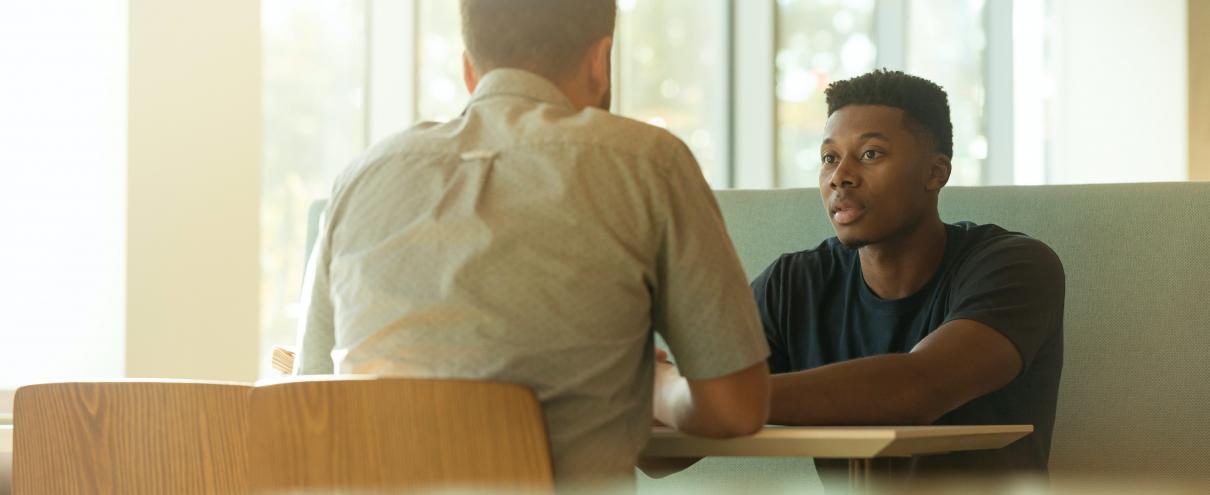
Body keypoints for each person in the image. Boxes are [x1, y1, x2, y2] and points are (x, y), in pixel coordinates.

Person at [293, 0, 770, 488]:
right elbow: (735, 408)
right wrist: (659, 390)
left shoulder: (359, 180)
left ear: (468, 69)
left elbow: (307, 404)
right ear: (600, 61)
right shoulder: (648, 162)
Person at [749, 69, 1064, 478]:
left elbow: (916, 389)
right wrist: (661, 393)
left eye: (870, 154)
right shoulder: (792, 285)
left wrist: (712, 398)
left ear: (936, 172)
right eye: (829, 158)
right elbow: (663, 456)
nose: (839, 176)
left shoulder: (1016, 267)